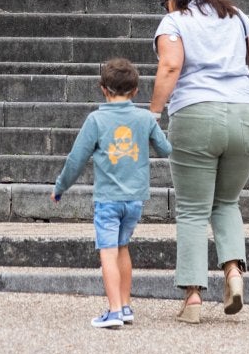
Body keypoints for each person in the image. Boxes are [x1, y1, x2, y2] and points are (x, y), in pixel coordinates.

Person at [148, 0, 249, 325]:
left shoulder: (173, 21)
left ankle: (193, 298)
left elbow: (171, 65)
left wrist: (153, 114)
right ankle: (234, 275)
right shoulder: (238, 18)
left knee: (194, 210)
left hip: (195, 116)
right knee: (226, 202)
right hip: (245, 117)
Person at [51, 57, 172, 329]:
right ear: (136, 90)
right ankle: (126, 304)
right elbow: (165, 149)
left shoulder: (96, 119)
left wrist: (60, 187)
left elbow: (76, 159)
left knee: (107, 251)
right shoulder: (143, 118)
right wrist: (152, 124)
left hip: (108, 200)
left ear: (103, 88)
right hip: (135, 199)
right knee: (122, 247)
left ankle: (114, 310)